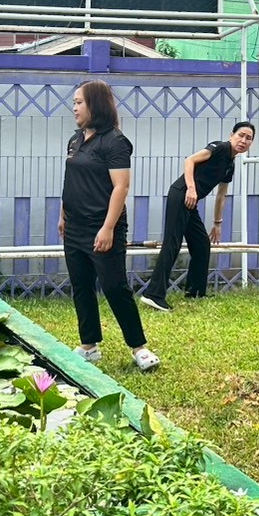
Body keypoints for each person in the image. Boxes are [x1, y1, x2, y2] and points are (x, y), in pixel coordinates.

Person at [58, 80, 161, 371]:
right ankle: (88, 346)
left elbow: (121, 187)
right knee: (81, 285)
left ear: (96, 104)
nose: (74, 108)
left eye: (79, 102)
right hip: (74, 226)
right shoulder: (76, 139)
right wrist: (63, 214)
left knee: (115, 286)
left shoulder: (115, 141)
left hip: (102, 226)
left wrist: (108, 228)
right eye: (74, 102)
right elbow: (70, 180)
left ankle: (139, 348)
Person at [140, 121, 257, 312]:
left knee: (202, 244)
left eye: (248, 138)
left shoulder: (230, 165)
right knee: (172, 244)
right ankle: (153, 294)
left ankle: (195, 291)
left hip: (190, 203)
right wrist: (191, 189)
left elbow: (221, 195)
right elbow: (190, 160)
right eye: (241, 135)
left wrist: (217, 223)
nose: (243, 140)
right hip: (181, 195)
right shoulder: (220, 148)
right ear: (232, 135)